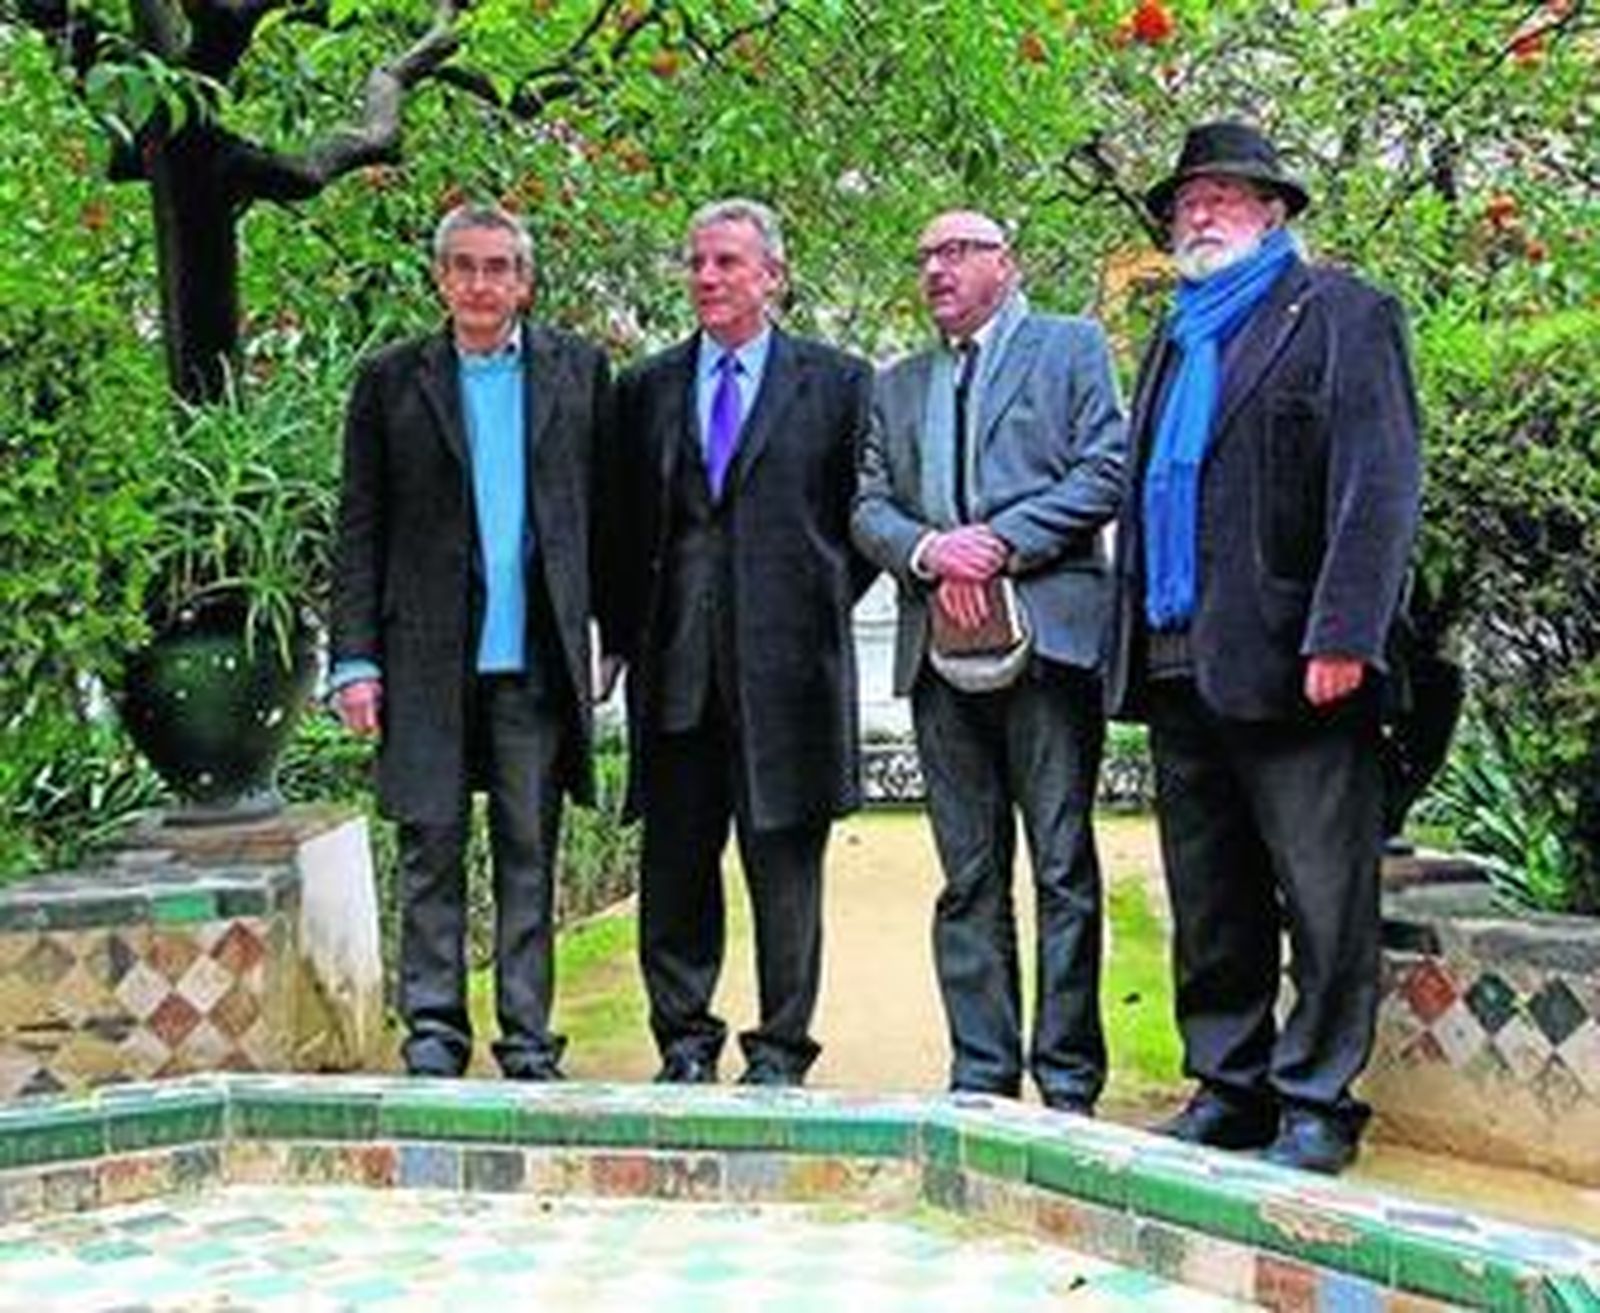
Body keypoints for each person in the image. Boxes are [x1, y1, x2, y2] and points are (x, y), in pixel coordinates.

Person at [1106, 122, 1423, 1173]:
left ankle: (1317, 1100)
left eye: (1223, 194)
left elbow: (1377, 485)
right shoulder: (1176, 331)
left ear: (1274, 208)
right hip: (1175, 651)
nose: (1198, 211)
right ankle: (1229, 1084)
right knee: (1210, 889)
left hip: (1297, 657)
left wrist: (1344, 629)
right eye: (1187, 197)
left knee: (1323, 889)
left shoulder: (1341, 313)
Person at [330, 203, 616, 1080]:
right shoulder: (389, 381)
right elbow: (359, 527)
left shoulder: (579, 371)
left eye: (498, 267)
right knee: (431, 849)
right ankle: (434, 1037)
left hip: (536, 659)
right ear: (441, 279)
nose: (481, 283)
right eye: (464, 266)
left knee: (530, 847)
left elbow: (609, 515)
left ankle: (529, 1040)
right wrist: (353, 660)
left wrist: (612, 635)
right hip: (423, 662)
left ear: (525, 281)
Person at [852, 210, 1127, 1113]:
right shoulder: (895, 386)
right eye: (926, 253)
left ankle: (1070, 1078)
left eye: (959, 251)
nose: (937, 267)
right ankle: (980, 1073)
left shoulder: (1070, 347)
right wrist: (933, 553)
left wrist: (999, 544)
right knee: (967, 874)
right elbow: (867, 506)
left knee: (1060, 867)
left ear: (1005, 265)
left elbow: (1106, 467)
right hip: (941, 653)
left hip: (1047, 641)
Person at [612, 198, 874, 1087]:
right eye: (696, 263)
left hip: (790, 675)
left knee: (785, 872)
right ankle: (683, 1041)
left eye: (727, 262)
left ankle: (781, 1048)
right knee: (676, 867)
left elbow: (857, 526)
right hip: (676, 674)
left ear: (772, 274)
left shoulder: (839, 384)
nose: (708, 278)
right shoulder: (643, 388)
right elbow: (623, 531)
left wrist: (809, 602)